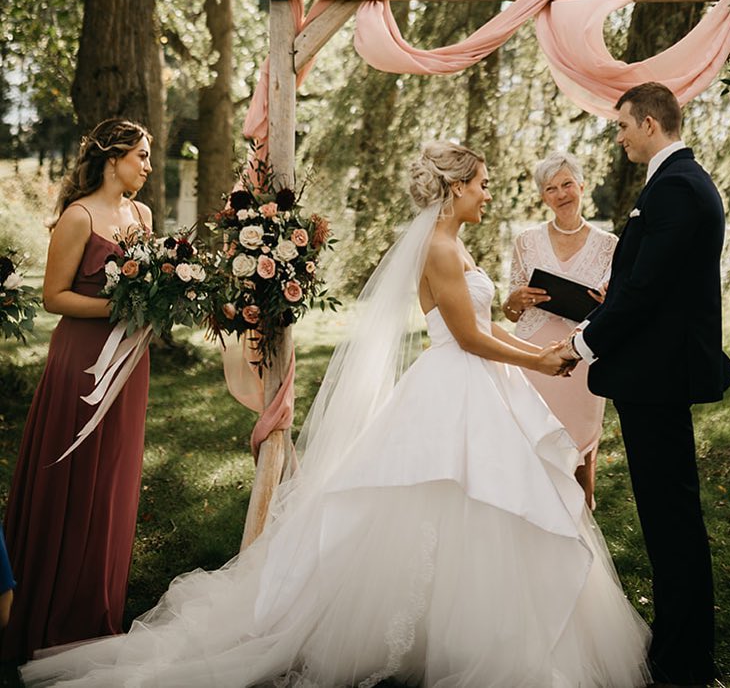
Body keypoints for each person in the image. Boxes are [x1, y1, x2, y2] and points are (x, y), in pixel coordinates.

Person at [21, 141, 650, 688]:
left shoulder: (454, 243)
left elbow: (484, 329)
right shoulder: (437, 247)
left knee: (482, 503)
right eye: (482, 184)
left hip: (481, 383)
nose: (488, 194)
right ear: (456, 188)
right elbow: (466, 335)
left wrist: (536, 354)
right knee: (450, 498)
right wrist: (540, 361)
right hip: (455, 386)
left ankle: (462, 622)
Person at [558, 81, 730, 688]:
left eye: (623, 125)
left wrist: (582, 344)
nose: (620, 135)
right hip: (653, 373)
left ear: (652, 123)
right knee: (667, 517)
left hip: (656, 377)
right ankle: (677, 649)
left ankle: (684, 663)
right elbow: (645, 283)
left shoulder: (678, 189)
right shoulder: (675, 186)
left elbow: (643, 292)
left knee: (671, 520)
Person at [2, 119, 153, 663]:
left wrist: (157, 304)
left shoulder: (144, 216)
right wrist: (122, 307)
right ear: (113, 160)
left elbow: (152, 282)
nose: (147, 166)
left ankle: (99, 603)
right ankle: (52, 608)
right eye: (140, 155)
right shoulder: (78, 217)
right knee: (73, 474)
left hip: (130, 363)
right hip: (81, 362)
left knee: (113, 477)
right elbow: (53, 297)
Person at [506, 151, 614, 506]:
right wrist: (517, 300)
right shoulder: (525, 242)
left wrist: (606, 304)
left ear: (582, 185)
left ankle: (583, 532)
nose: (561, 194)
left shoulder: (610, 246)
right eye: (551, 188)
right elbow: (509, 312)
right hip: (532, 357)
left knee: (582, 451)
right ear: (543, 197)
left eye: (567, 184)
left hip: (581, 358)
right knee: (529, 447)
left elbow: (621, 309)